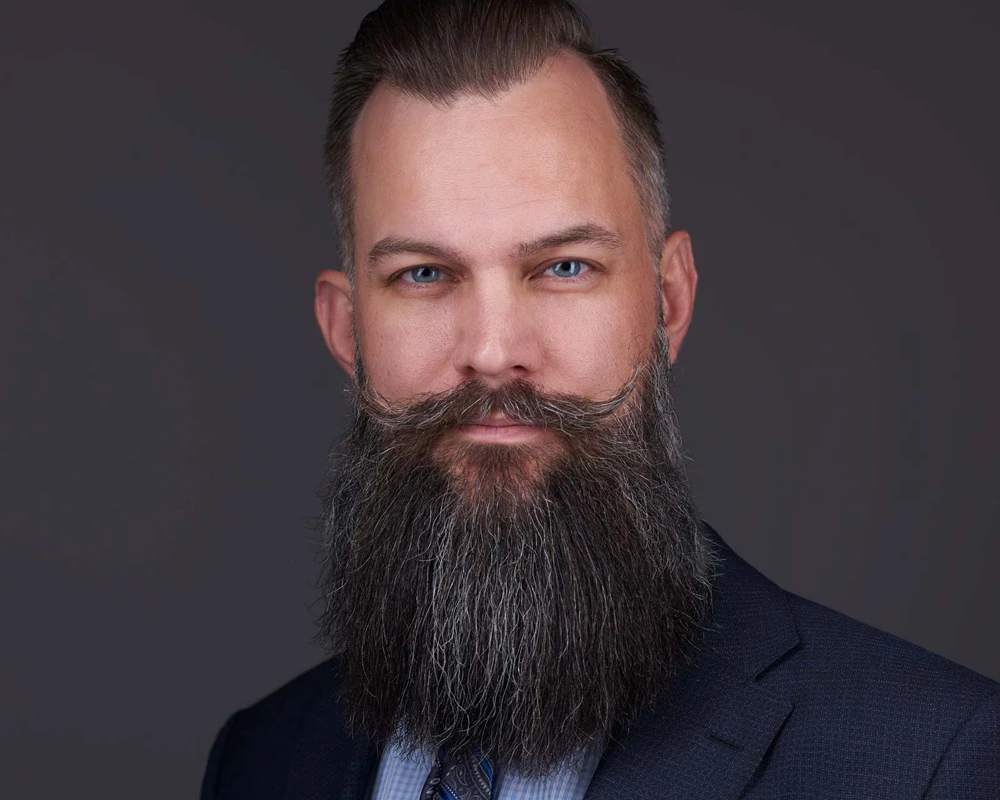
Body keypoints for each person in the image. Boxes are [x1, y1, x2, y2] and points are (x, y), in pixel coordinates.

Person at [199, 1, 999, 797]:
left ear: (669, 303)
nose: (493, 352)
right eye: (424, 274)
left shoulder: (928, 762)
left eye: (564, 266)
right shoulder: (262, 759)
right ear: (348, 333)